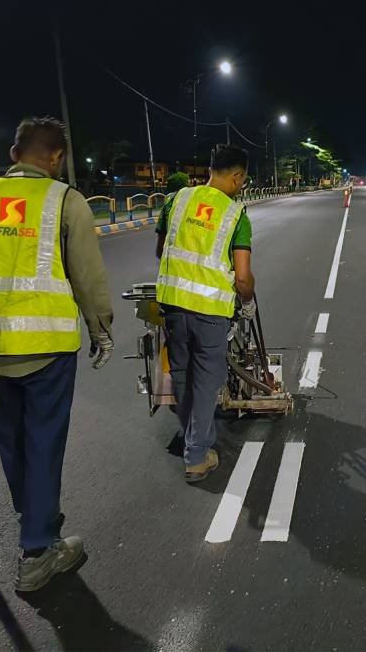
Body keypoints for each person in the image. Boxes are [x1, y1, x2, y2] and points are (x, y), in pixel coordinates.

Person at [0, 116, 114, 592]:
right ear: (57, 158)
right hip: (48, 350)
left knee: (14, 445)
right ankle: (38, 551)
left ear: (14, 152)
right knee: (43, 445)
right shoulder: (66, 200)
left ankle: (37, 525)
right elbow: (88, 278)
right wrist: (101, 331)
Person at [154, 144, 255, 483]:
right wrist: (249, 300)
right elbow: (242, 276)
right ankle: (197, 455)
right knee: (207, 382)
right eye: (242, 180)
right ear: (237, 177)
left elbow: (161, 250)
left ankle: (192, 439)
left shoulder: (177, 200)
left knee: (182, 376)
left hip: (172, 305)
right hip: (211, 312)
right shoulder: (235, 214)